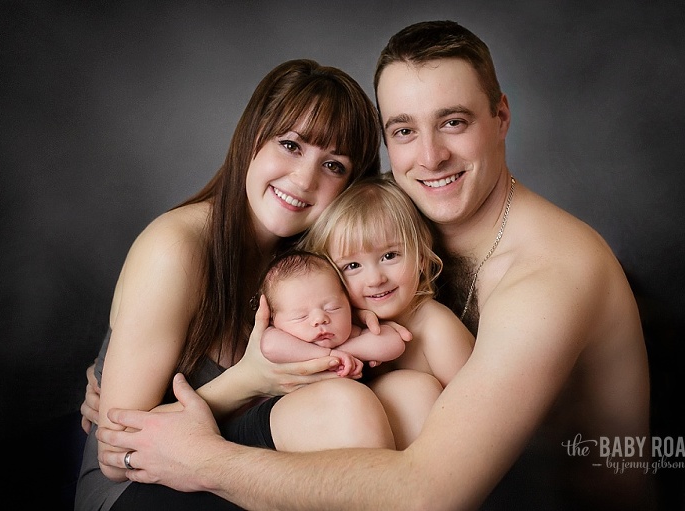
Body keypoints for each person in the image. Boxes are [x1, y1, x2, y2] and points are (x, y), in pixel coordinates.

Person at [93, 20, 654, 510]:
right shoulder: (390, 223)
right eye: (404, 130)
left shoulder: (551, 274)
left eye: (454, 122)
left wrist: (206, 458)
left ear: (501, 116)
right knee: (389, 400)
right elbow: (124, 431)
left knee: (405, 398)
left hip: (538, 498)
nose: (430, 156)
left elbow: (432, 493)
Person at [75, 58, 399, 511]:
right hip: (140, 484)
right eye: (290, 145)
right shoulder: (176, 247)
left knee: (382, 404)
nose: (304, 179)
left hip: (236, 460)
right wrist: (249, 380)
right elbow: (119, 451)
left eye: (333, 165)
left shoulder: (317, 264)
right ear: (252, 140)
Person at [299, 175, 475, 447]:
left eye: (389, 256)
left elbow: (477, 419)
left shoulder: (437, 330)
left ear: (420, 254)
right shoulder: (338, 325)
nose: (375, 279)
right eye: (352, 266)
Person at [257, 248, 407, 379]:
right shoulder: (283, 340)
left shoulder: (352, 335)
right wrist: (328, 356)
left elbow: (394, 343)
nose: (320, 319)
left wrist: (341, 352)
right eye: (301, 316)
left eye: (332, 308)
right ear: (273, 321)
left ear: (349, 305)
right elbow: (269, 346)